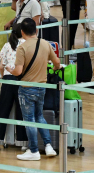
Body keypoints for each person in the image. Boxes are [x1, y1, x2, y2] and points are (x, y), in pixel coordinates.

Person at [5, 18, 60, 161]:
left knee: (29, 119)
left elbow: (18, 71)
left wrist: (10, 70)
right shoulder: (45, 44)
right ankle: (48, 146)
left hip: (27, 88)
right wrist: (53, 69)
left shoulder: (22, 48)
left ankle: (34, 150)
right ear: (36, 30)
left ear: (22, 32)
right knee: (39, 116)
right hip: (42, 87)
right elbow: (57, 63)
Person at [0, 23, 29, 150]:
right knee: (21, 110)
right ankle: (23, 142)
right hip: (20, 79)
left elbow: (1, 66)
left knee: (2, 109)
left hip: (7, 79)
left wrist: (3, 78)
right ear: (23, 32)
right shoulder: (26, 45)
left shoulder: (7, 45)